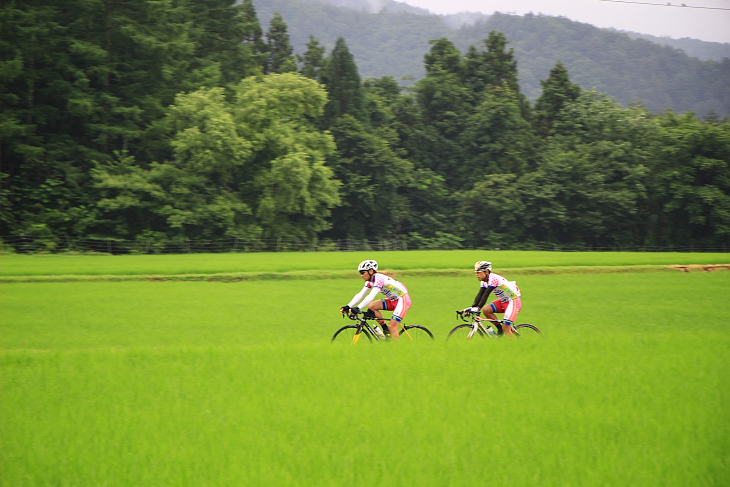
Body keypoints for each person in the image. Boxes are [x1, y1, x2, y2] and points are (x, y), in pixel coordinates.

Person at [340, 260, 412, 341]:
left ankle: (396, 349)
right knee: (372, 306)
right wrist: (348, 306)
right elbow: (360, 295)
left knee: (392, 327)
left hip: (402, 300)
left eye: (363, 272)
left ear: (371, 271)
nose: (361, 275)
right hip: (392, 300)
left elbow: (371, 296)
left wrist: (358, 308)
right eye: (360, 273)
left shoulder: (379, 279)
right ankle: (385, 330)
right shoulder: (370, 281)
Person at [463, 261, 521, 337]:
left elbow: (486, 294)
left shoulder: (493, 279)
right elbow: (480, 295)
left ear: (486, 271)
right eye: (476, 272)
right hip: (503, 302)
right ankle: (499, 329)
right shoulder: (484, 281)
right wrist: (472, 307)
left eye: (479, 272)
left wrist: (478, 308)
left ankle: (512, 346)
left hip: (513, 301)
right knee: (486, 310)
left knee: (506, 326)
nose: (477, 274)